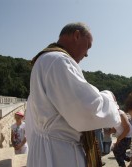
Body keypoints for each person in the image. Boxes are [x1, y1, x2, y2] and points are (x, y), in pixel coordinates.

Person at [25, 22, 121, 167]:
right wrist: (109, 98)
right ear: (76, 35)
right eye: (88, 46)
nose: (87, 54)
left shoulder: (46, 60)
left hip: (45, 149)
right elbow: (84, 110)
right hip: (60, 153)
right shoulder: (59, 60)